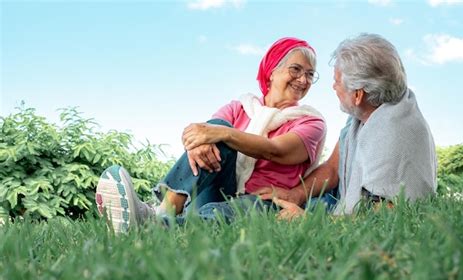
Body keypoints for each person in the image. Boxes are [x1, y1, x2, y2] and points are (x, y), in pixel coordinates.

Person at [95, 37, 326, 233]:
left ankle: (151, 225)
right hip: (219, 186)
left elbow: (276, 150)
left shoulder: (311, 122)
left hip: (264, 200)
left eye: (310, 74)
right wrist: (199, 141)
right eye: (295, 70)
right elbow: (200, 132)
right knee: (214, 133)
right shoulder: (240, 107)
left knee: (220, 146)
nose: (303, 80)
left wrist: (220, 133)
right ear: (272, 71)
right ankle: (165, 210)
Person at [256, 33, 437, 219]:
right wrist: (296, 195)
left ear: (358, 95)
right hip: (340, 200)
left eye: (336, 81)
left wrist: (307, 221)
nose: (334, 87)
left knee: (259, 210)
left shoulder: (392, 136)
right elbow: (333, 168)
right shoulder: (367, 109)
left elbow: (382, 217)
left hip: (365, 217)